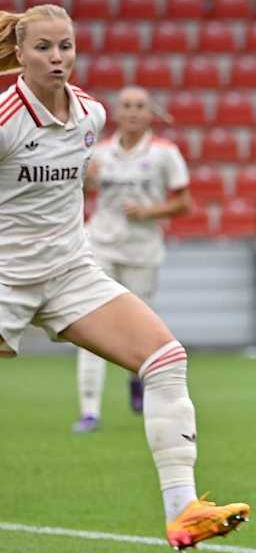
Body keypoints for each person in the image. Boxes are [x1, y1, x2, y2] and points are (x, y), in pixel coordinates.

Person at [0, 4, 249, 549]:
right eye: (43, 47)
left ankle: (183, 510)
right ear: (19, 54)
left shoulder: (90, 115)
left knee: (165, 359)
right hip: (5, 277)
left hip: (71, 272)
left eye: (65, 45)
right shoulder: (4, 119)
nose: (57, 57)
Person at [74, 87, 193, 432]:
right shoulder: (98, 151)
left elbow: (185, 203)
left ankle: (135, 380)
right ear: (116, 112)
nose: (133, 112)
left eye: (140, 106)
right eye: (126, 106)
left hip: (143, 251)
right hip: (99, 245)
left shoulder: (164, 153)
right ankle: (89, 411)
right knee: (89, 326)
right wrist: (87, 182)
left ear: (151, 113)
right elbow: (77, 192)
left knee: (137, 328)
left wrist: (150, 211)